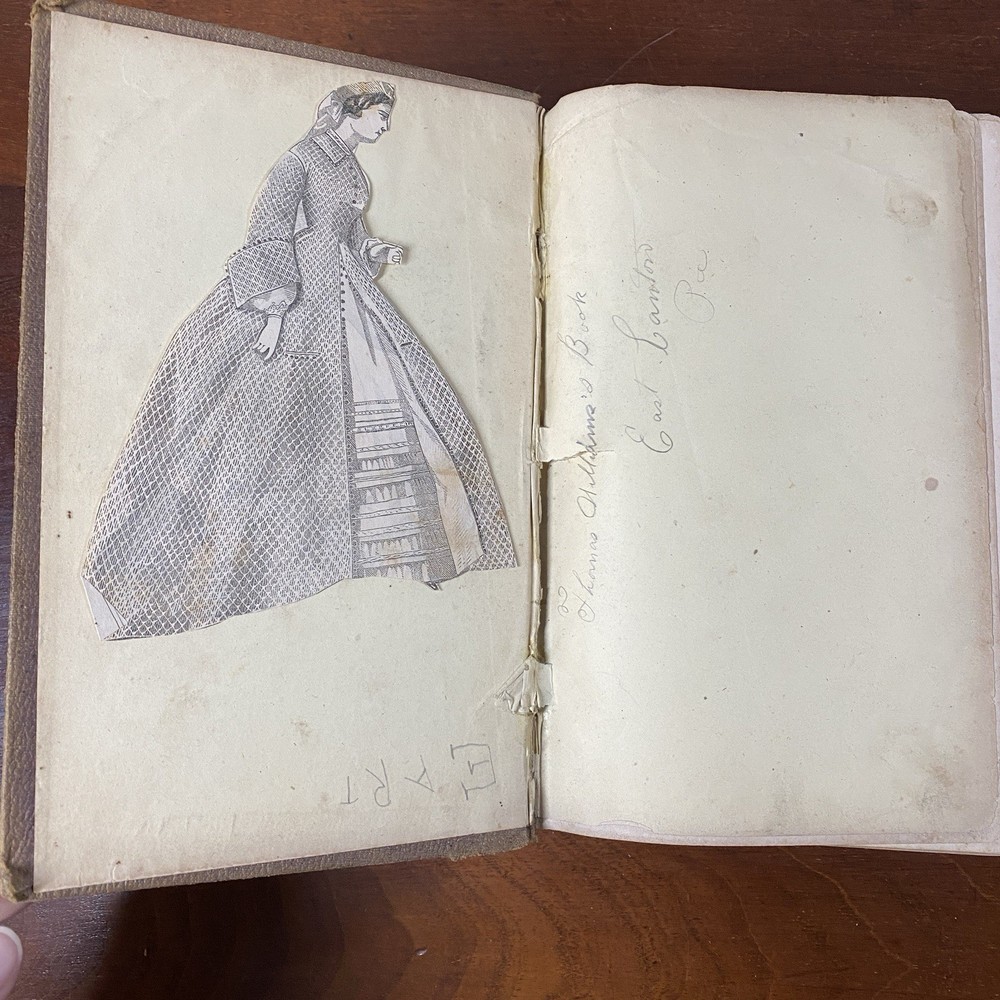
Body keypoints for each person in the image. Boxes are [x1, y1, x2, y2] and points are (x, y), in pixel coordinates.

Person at [81, 81, 516, 640]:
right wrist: (273, 315)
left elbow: (349, 236)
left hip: (346, 292)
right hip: (297, 300)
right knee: (268, 429)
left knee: (391, 400)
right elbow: (268, 232)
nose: (386, 127)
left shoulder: (353, 168)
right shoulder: (299, 159)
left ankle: (405, 552)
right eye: (380, 116)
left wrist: (374, 250)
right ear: (351, 112)